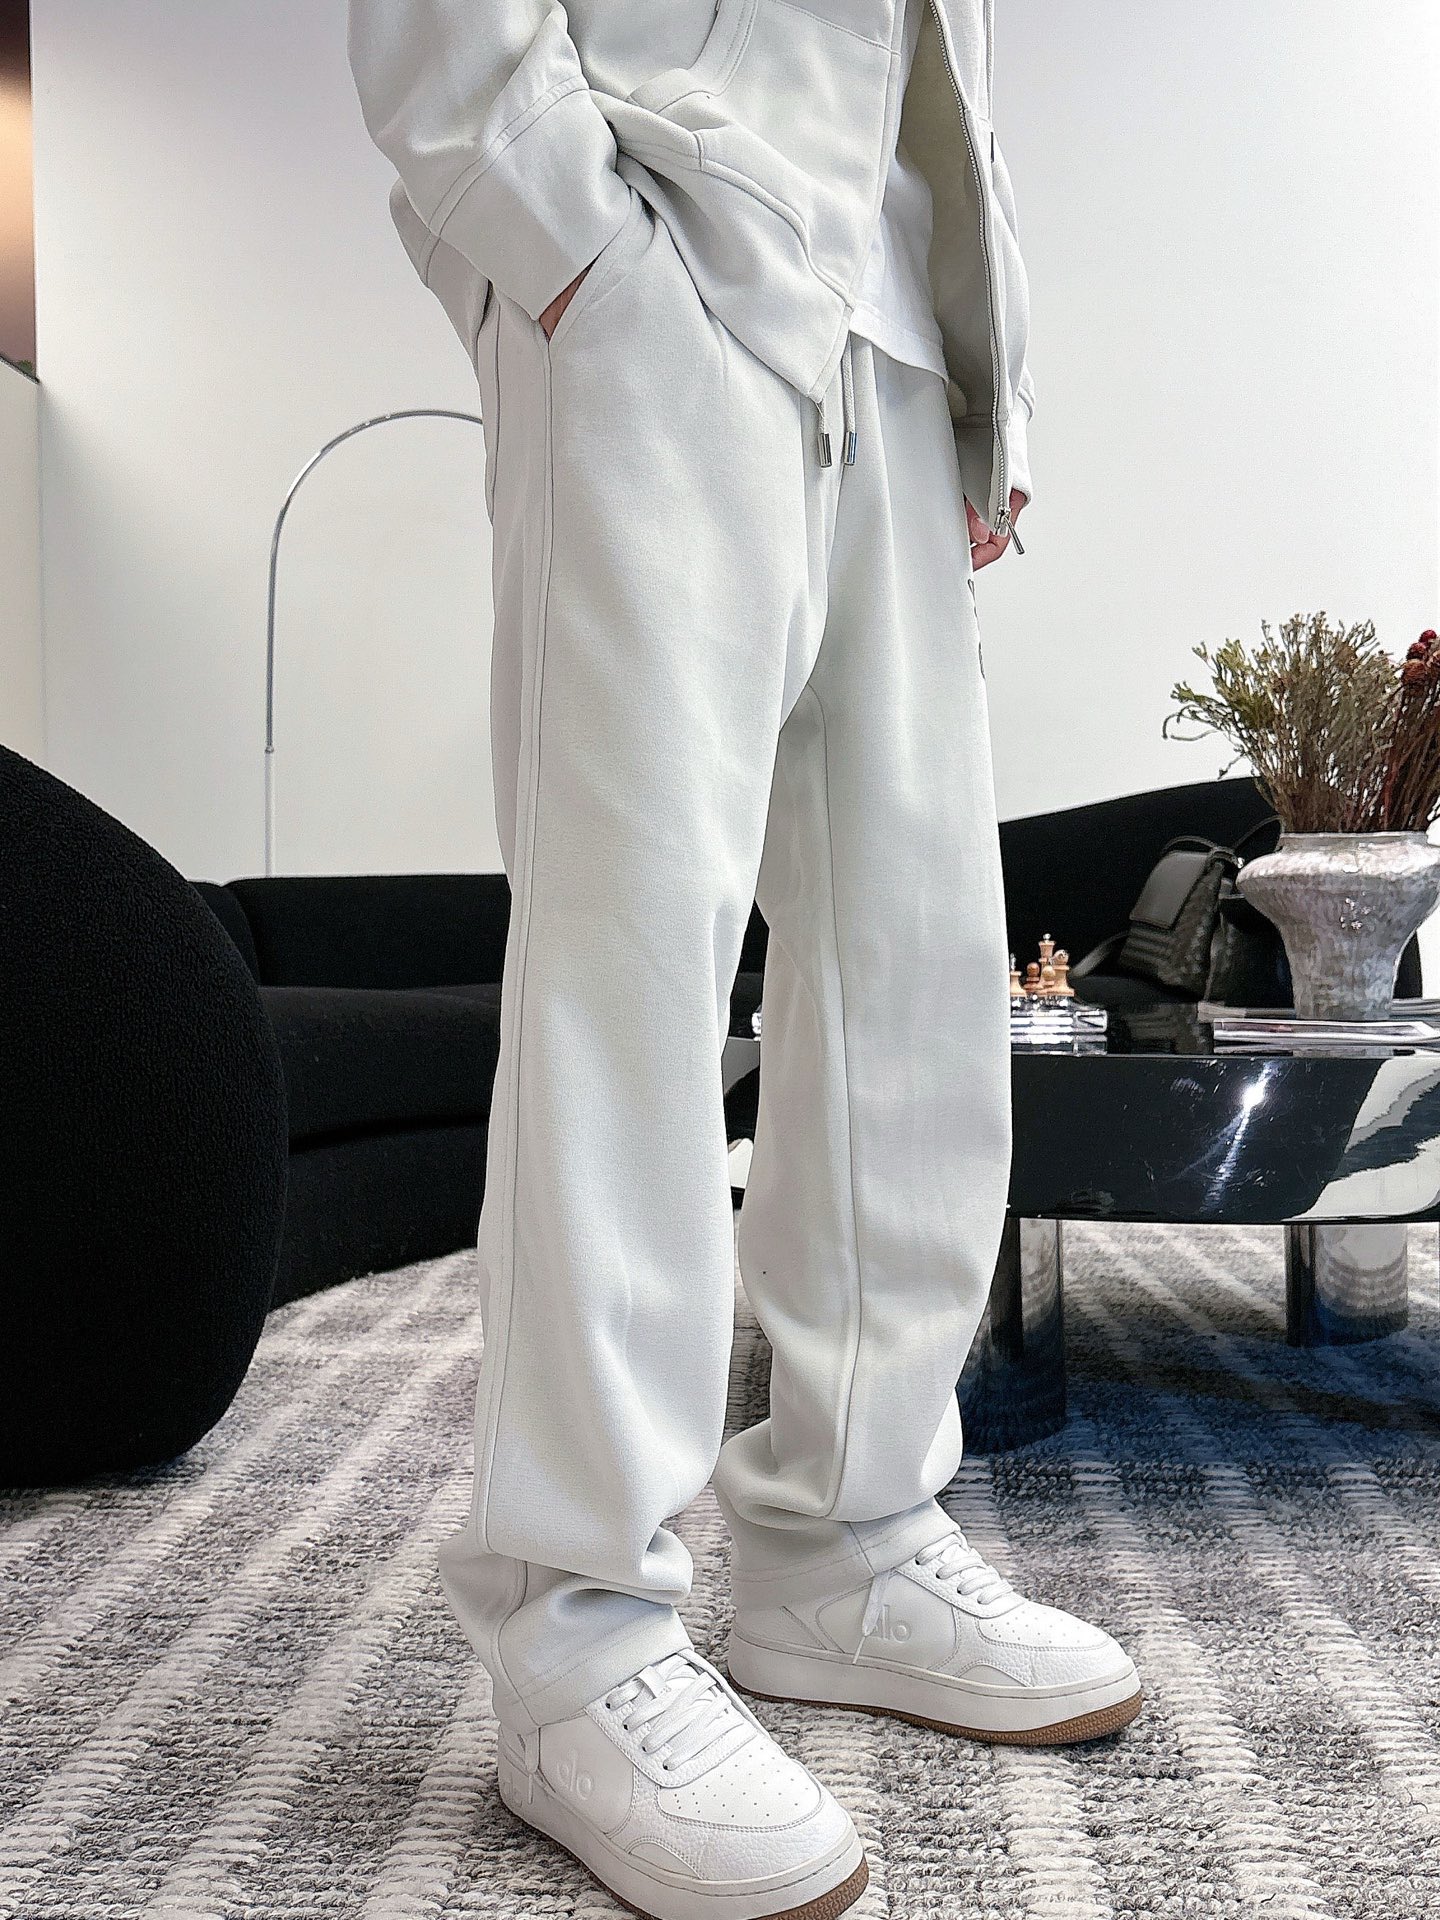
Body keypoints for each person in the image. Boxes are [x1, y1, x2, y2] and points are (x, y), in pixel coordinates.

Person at [346, 5, 1141, 1915]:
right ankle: (577, 1628)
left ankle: (848, 1539)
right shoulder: (613, 255)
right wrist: (560, 229)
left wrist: (984, 373)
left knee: (914, 969)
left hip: (891, 306)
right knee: (631, 969)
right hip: (659, 224)